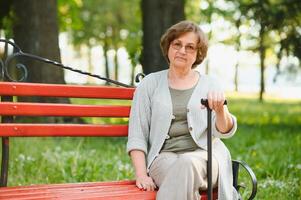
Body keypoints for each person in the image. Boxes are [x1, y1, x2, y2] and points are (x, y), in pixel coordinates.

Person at [127, 20, 238, 200]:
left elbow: (225, 131)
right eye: (177, 44)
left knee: (188, 163)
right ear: (168, 47)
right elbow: (137, 135)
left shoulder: (211, 84)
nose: (182, 51)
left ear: (198, 54)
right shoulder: (150, 84)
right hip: (163, 158)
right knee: (183, 174)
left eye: (190, 47)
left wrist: (220, 110)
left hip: (207, 157)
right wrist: (141, 174)